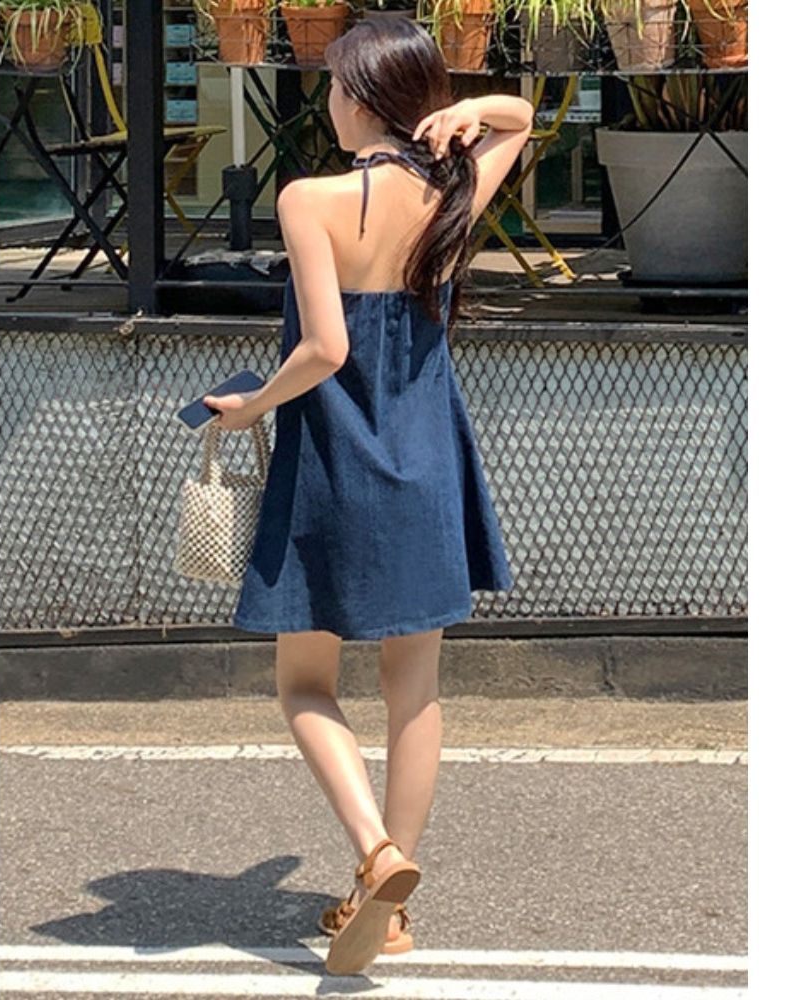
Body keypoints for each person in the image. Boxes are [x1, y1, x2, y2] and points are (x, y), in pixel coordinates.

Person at [202, 16, 535, 975]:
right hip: (427, 460)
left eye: (338, 85)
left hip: (335, 463)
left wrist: (249, 406)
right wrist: (473, 110)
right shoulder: (451, 192)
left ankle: (377, 855)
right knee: (414, 693)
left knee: (305, 683)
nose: (329, 101)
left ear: (363, 97)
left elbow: (325, 349)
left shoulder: (308, 198)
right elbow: (519, 122)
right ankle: (388, 909)